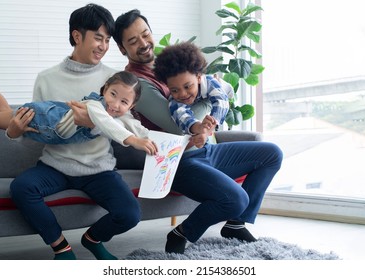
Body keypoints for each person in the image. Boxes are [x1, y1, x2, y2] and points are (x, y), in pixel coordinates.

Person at [112, 9, 284, 254]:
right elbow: (176, 123)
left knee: (271, 153)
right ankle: (182, 232)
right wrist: (210, 90)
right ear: (122, 49)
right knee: (236, 198)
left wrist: (211, 89)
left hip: (206, 151)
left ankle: (235, 224)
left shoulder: (168, 68)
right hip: (177, 161)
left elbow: (216, 93)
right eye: (132, 41)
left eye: (145, 34)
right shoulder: (134, 82)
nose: (143, 43)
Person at [6, 4, 140, 260]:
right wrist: (14, 132)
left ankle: (92, 239)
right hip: (55, 165)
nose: (103, 46)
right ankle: (62, 248)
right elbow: (38, 131)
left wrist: (93, 123)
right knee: (21, 188)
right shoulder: (46, 78)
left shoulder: (115, 78)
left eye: (108, 40)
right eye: (98, 38)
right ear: (77, 36)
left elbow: (125, 124)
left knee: (130, 214)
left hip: (99, 168)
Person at [0, 72, 158, 155]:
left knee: (4, 112)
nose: (115, 104)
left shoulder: (121, 114)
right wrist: (134, 140)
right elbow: (107, 124)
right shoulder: (95, 106)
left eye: (124, 102)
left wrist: (155, 141)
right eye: (113, 94)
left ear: (132, 105)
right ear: (105, 89)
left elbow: (135, 126)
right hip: (43, 119)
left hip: (52, 125)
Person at [153, 41, 230, 136]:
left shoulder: (210, 83)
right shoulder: (174, 102)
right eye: (174, 90)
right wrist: (199, 127)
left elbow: (221, 100)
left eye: (187, 86)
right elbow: (183, 117)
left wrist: (212, 122)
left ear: (198, 77)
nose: (182, 94)